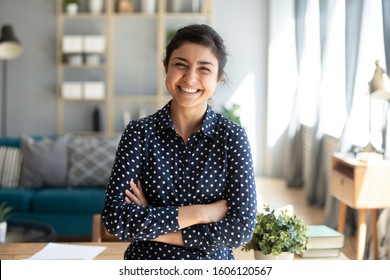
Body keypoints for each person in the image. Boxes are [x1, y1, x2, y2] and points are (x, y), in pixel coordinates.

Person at [101, 24, 257, 260]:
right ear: (166, 66)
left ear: (218, 77)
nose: (190, 78)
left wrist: (150, 220)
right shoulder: (139, 134)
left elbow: (241, 229)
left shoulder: (233, 138)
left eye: (204, 69)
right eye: (180, 65)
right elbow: (115, 219)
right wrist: (202, 213)